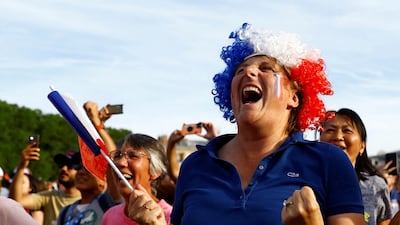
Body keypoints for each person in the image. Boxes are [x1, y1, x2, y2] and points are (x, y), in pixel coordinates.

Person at [170, 23, 365, 225]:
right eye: (240, 71)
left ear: (294, 97)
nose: (249, 73)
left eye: (266, 68)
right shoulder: (196, 164)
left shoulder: (329, 161)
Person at [83, 101, 172, 225]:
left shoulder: (169, 216)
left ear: (155, 171)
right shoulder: (110, 215)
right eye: (118, 155)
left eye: (133, 156)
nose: (120, 162)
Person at [320, 108, 392, 225]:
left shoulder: (375, 185)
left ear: (362, 146)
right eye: (330, 130)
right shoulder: (306, 182)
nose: (338, 136)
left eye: (347, 130)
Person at [9, 145, 81, 225]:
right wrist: (22, 166)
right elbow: (16, 201)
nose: (64, 169)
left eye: (69, 165)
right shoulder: (48, 197)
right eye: (61, 164)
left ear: (80, 170)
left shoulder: (88, 200)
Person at [57, 153, 119, 225]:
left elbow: (113, 162)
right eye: (78, 167)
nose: (81, 172)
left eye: (88, 168)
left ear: (104, 178)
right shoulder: (65, 212)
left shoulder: (109, 204)